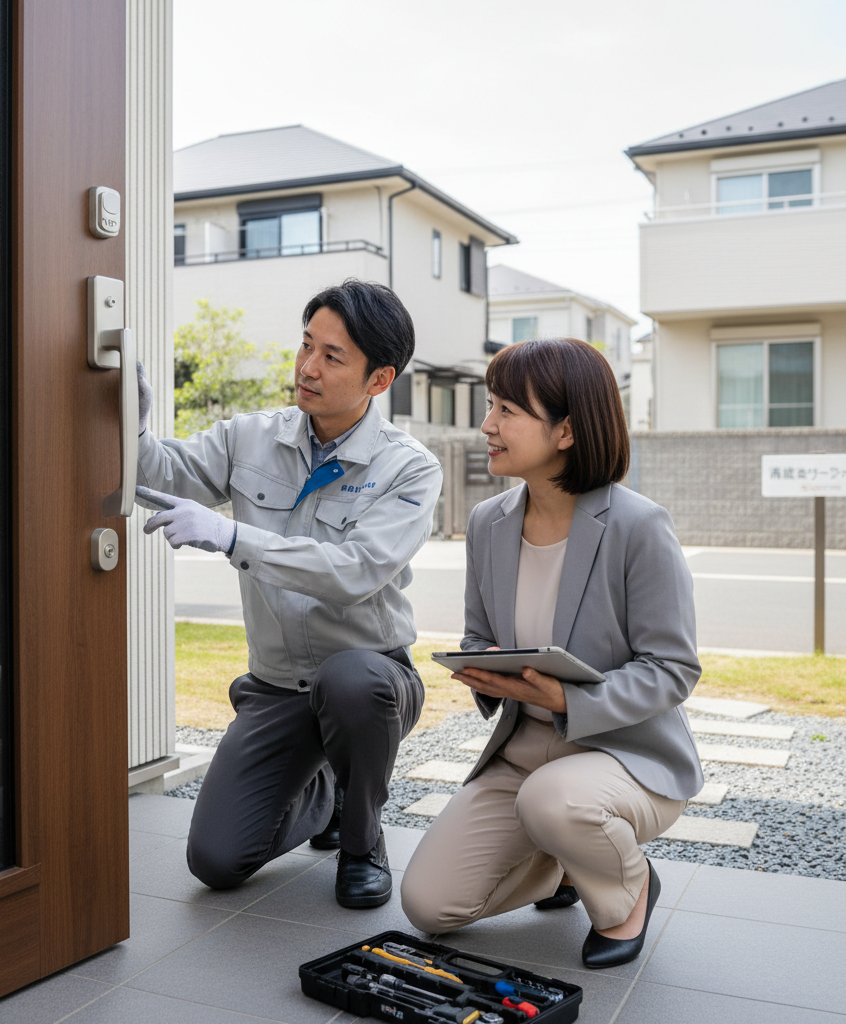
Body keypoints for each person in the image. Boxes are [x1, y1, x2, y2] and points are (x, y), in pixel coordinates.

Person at [135, 279, 441, 908]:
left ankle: (362, 841)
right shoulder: (248, 437)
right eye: (306, 345)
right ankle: (326, 792)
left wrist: (229, 534)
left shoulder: (409, 468)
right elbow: (164, 477)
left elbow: (355, 569)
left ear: (379, 380)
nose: (307, 368)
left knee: (351, 682)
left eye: (333, 357)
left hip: (369, 678)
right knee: (216, 861)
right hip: (277, 688)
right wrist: (132, 434)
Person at [400, 337, 703, 969]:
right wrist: (482, 666)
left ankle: (625, 892)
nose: (487, 425)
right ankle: (568, 860)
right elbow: (479, 633)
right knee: (428, 906)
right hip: (524, 751)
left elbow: (673, 668)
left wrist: (567, 696)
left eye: (506, 409)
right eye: (490, 406)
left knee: (555, 801)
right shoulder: (487, 522)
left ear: (566, 430)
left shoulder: (638, 526)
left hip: (623, 754)